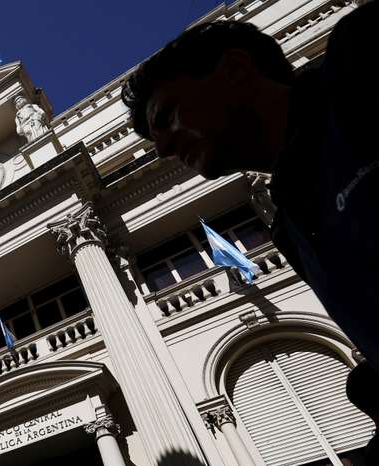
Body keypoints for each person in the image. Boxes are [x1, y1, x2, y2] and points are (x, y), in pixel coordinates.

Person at [122, 0, 378, 454]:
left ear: (236, 70)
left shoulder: (364, 67)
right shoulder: (291, 225)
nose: (160, 150)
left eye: (165, 117)